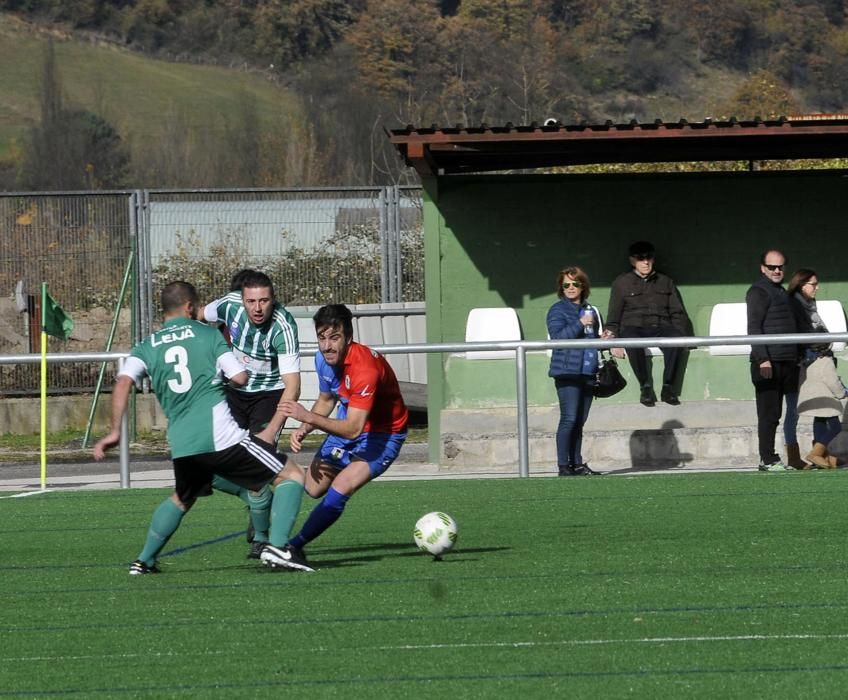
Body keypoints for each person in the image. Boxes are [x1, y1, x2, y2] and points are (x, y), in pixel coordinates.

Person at [93, 281, 308, 574]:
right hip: (220, 437)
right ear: (191, 307)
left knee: (183, 498)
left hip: (182, 444)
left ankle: (144, 560)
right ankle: (279, 547)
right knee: (291, 475)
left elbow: (123, 382)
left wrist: (115, 430)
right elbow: (240, 378)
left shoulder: (147, 346)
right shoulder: (208, 334)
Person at [260, 303, 409, 570]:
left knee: (340, 488)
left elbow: (354, 428)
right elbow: (327, 399)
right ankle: (267, 486)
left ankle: (293, 547)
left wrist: (308, 418)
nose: (327, 346)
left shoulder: (365, 370)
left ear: (349, 338)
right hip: (347, 423)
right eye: (321, 337)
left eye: (334, 338)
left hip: (382, 436)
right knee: (312, 487)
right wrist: (305, 428)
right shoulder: (323, 359)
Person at [203, 270, 301, 556]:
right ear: (242, 300)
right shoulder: (228, 305)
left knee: (259, 462)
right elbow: (197, 314)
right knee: (204, 461)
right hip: (232, 391)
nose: (258, 308)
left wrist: (272, 429)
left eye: (264, 301)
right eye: (251, 301)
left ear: (273, 299)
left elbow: (292, 386)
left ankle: (262, 539)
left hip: (268, 396)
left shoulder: (283, 326)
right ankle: (252, 498)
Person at [604, 240, 689, 407]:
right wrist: (613, 340)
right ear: (632, 261)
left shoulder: (665, 281)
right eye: (640, 258)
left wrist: (681, 335)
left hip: (661, 326)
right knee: (632, 341)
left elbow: (677, 312)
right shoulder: (622, 283)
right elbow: (614, 316)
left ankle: (668, 387)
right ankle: (645, 387)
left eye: (648, 257)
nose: (645, 262)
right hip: (633, 327)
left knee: (675, 340)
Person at [746, 249, 799, 471]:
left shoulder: (782, 292)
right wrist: (763, 359)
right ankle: (767, 458)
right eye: (771, 267)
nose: (777, 271)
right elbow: (754, 327)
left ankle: (793, 457)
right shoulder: (758, 292)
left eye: (780, 266)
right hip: (769, 363)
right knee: (770, 414)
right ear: (762, 268)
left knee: (791, 412)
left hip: (788, 361)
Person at [546, 266, 601, 476]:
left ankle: (577, 463)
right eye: (566, 284)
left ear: (583, 286)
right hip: (567, 372)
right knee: (568, 418)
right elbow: (558, 338)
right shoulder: (557, 310)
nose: (570, 288)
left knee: (580, 421)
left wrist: (603, 340)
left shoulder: (590, 309)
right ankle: (563, 465)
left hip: (587, 371)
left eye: (575, 284)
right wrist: (579, 323)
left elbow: (590, 340)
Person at [789, 268, 844, 468]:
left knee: (821, 418)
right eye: (813, 284)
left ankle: (827, 457)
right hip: (814, 362)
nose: (817, 288)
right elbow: (806, 335)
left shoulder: (808, 304)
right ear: (801, 284)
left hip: (812, 364)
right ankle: (816, 453)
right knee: (834, 422)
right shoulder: (796, 305)